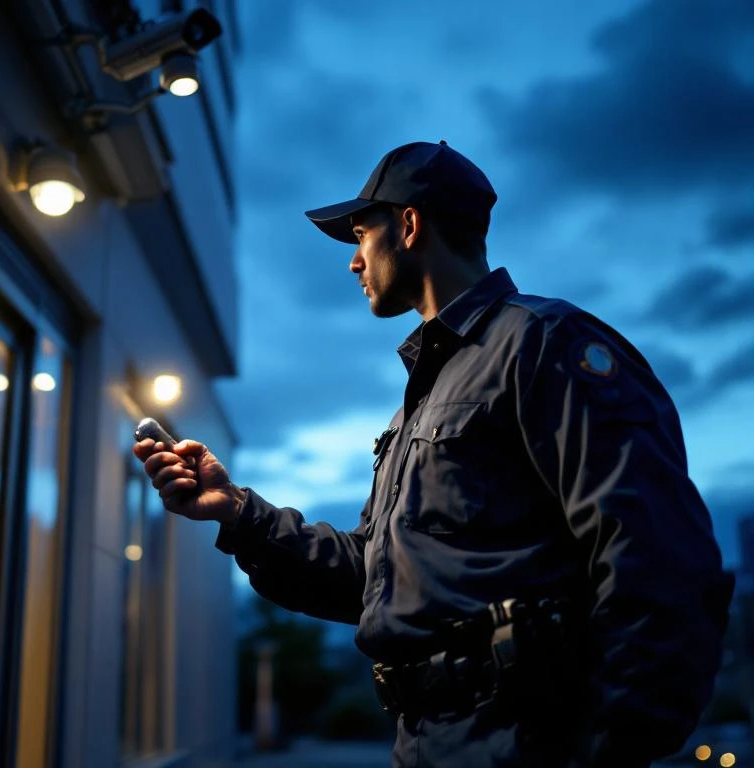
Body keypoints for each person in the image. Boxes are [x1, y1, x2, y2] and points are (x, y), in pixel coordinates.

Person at [133, 140, 734, 767]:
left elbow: (655, 553)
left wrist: (612, 746)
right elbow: (375, 580)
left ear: (409, 225)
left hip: (528, 743)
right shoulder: (423, 398)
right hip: (428, 742)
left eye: (361, 234)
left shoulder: (544, 344)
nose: (353, 262)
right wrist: (236, 513)